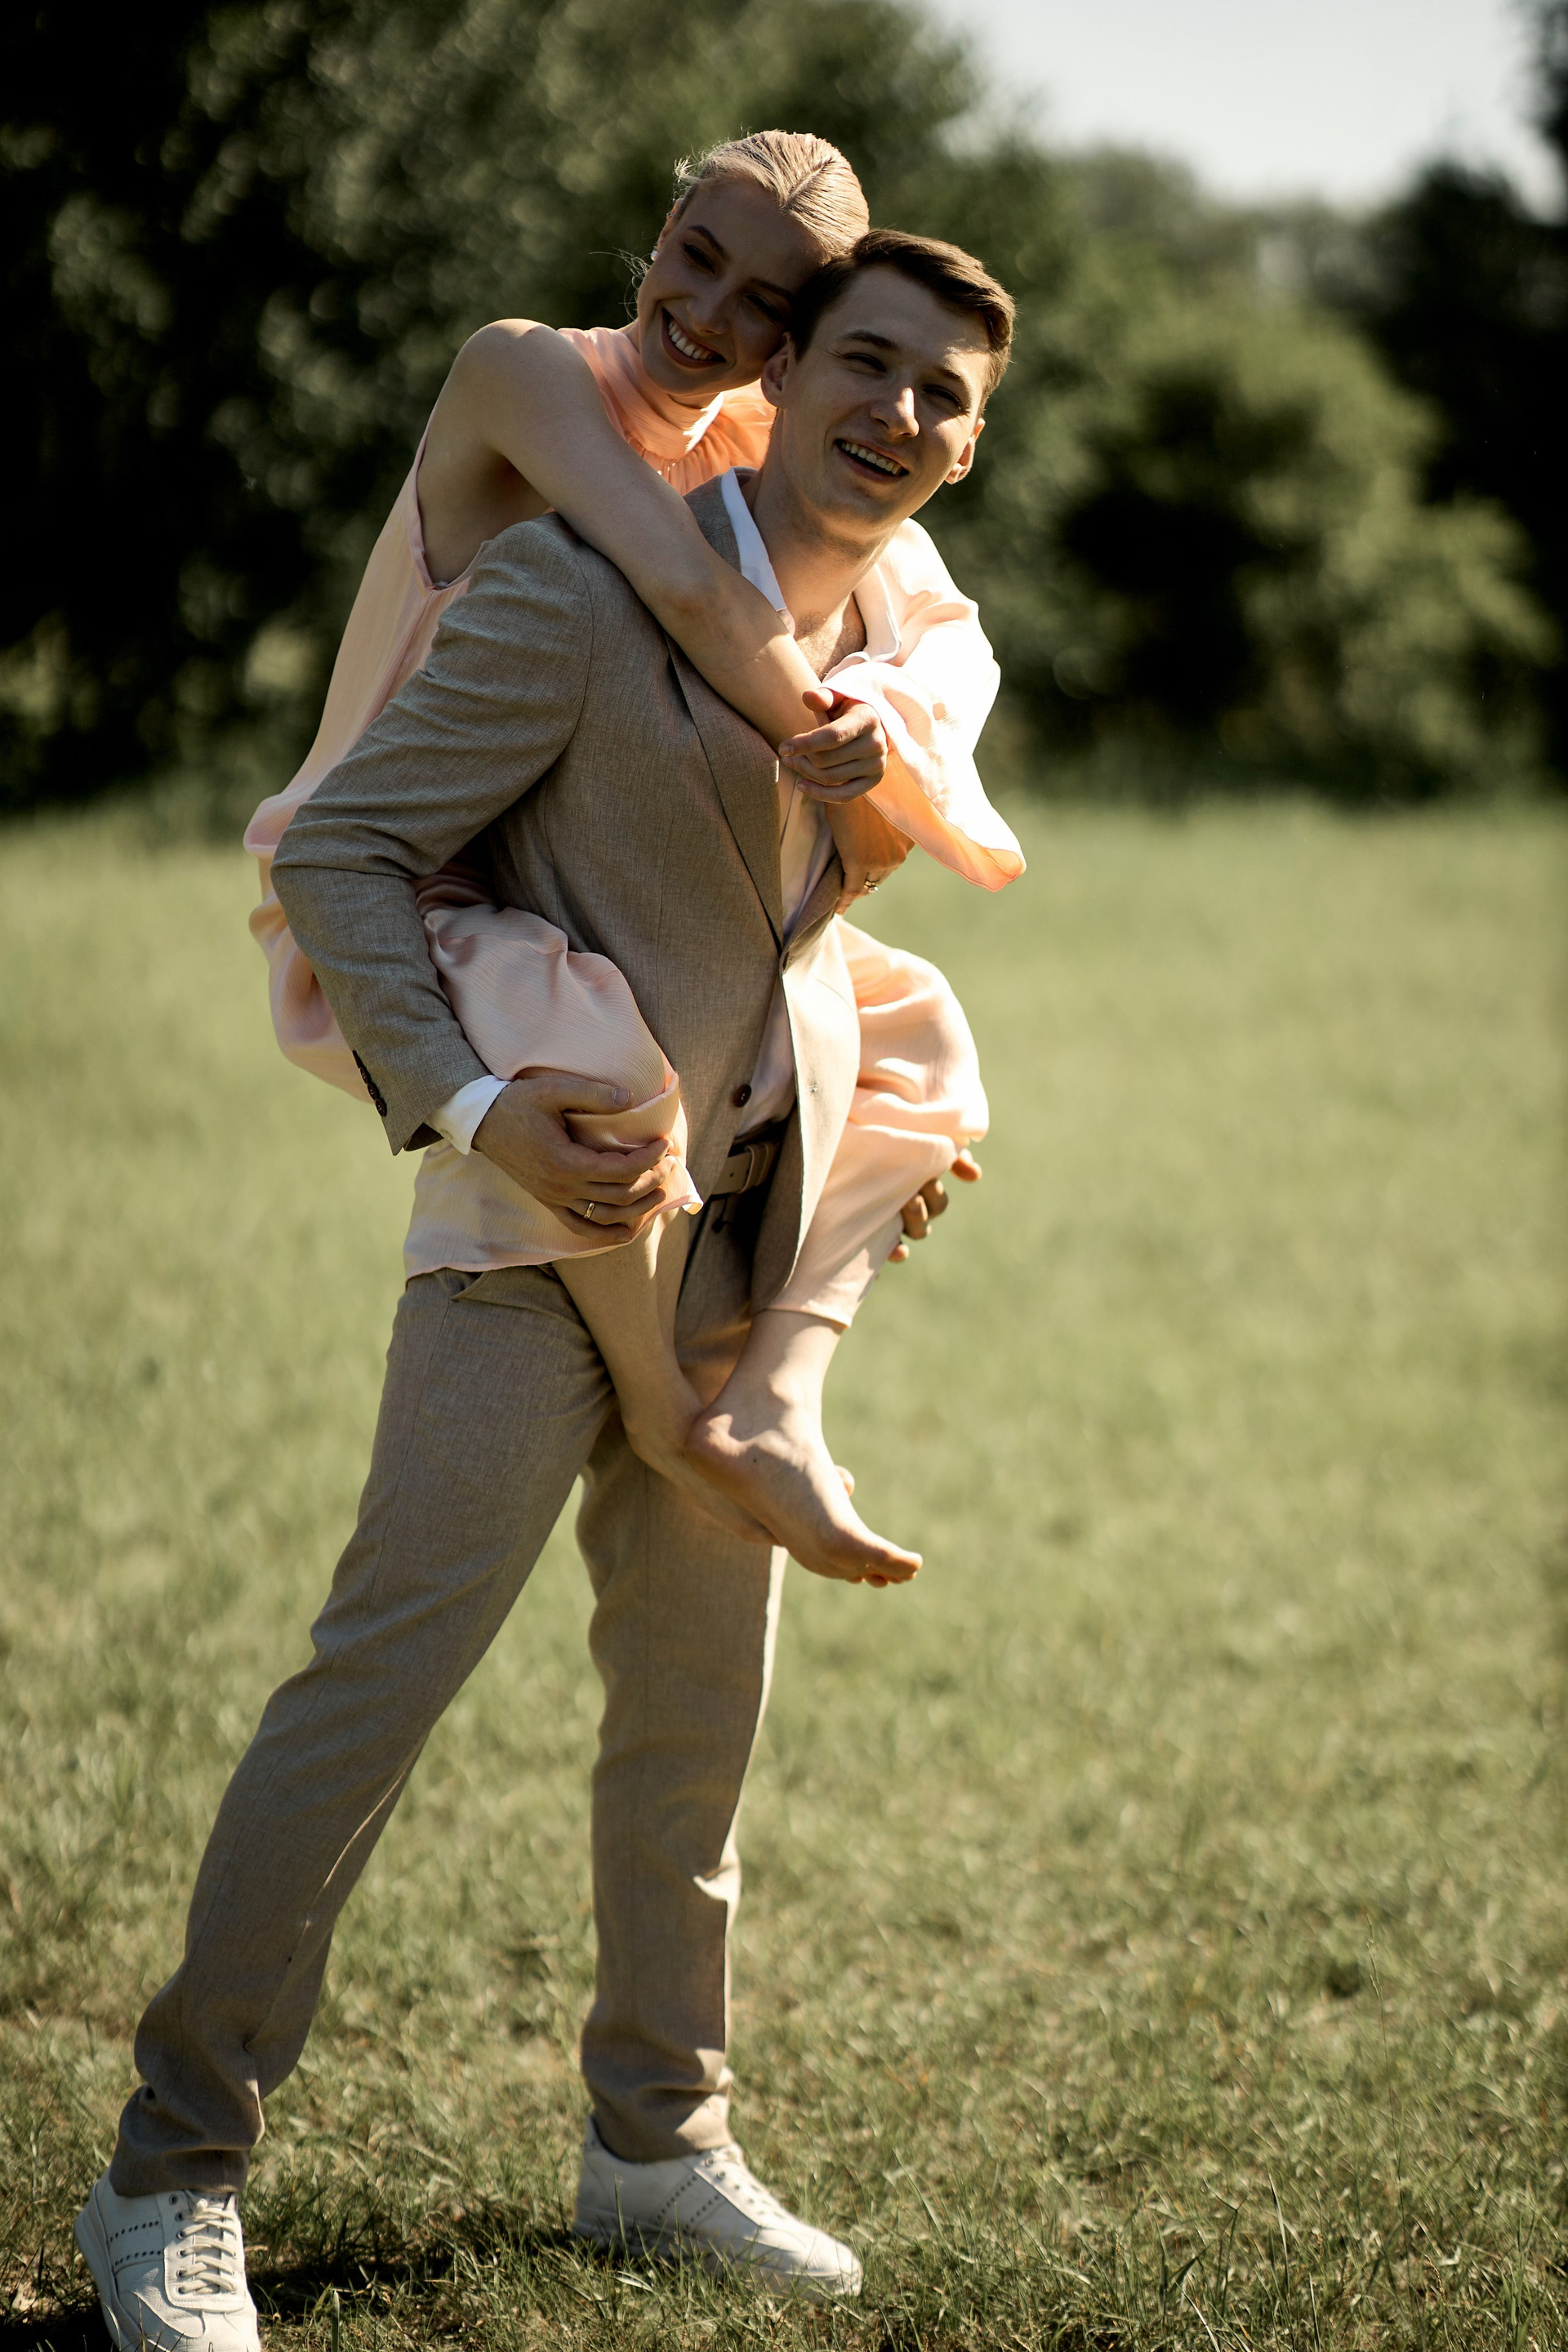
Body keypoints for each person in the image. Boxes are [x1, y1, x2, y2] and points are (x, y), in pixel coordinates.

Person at [74, 230, 1016, 2349]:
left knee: (694, 1730)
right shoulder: (576, 592)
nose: (897, 412)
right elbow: (338, 847)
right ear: (786, 376)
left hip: (734, 1241)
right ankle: (168, 2178)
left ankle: (656, 2145)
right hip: (527, 1243)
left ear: (966, 446)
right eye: (867, 362)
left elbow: (802, 924)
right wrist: (481, 1101)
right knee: (371, 1699)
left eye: (943, 394)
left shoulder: (891, 647)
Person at [243, 131, 1021, 1579]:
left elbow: (937, 619)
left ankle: (780, 1392)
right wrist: (830, 735)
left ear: (791, 340)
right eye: (697, 258)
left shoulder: (755, 429)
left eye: (766, 304)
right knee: (602, 1047)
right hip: (395, 885)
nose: (710, 316)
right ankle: (669, 1416)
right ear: (661, 233)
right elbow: (689, 592)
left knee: (900, 1035)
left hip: (563, 880)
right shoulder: (527, 372)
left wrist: (888, 714)